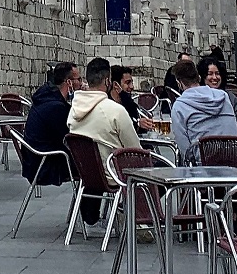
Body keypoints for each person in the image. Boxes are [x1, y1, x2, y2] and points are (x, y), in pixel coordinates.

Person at [66, 58, 142, 223]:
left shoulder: (73, 109)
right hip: (112, 174)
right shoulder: (115, 111)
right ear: (108, 81)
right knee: (156, 167)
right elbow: (135, 150)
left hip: (86, 173)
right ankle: (128, 208)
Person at [169, 59, 237, 164]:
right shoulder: (223, 96)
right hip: (236, 163)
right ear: (198, 77)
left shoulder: (179, 106)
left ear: (179, 83)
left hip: (204, 169)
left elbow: (185, 150)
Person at [22, 61, 80, 185]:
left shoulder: (46, 98)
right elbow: (70, 138)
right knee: (93, 168)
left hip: (35, 161)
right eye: (78, 79)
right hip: (45, 166)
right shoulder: (55, 107)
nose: (81, 83)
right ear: (69, 82)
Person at [114, 67, 157, 132]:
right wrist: (138, 124)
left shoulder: (128, 103)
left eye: (132, 83)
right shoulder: (109, 106)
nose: (132, 87)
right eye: (127, 83)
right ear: (116, 85)